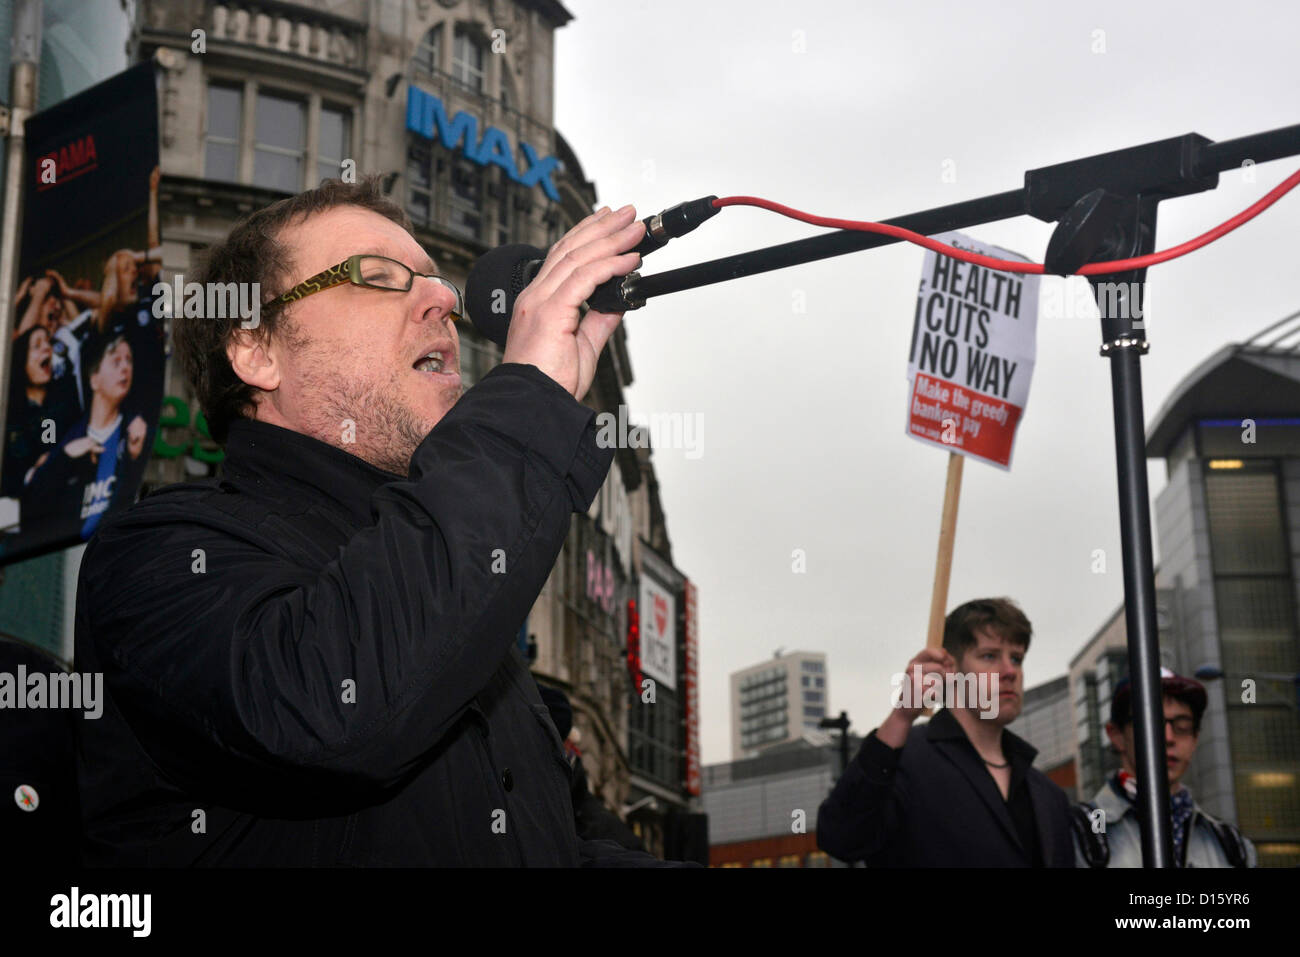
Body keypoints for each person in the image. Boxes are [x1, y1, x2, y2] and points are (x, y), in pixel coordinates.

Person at [74, 177, 689, 867]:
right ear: (258, 349)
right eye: (380, 276)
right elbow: (333, 709)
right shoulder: (155, 556)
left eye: (435, 279)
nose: (446, 300)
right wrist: (528, 402)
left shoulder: (486, 658)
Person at [816, 598, 1074, 866]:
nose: (1010, 672)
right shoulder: (903, 763)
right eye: (989, 656)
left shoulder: (1048, 795)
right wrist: (901, 716)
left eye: (1017, 658)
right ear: (951, 670)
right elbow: (840, 836)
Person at [1070, 667, 1256, 868]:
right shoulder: (1078, 834)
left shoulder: (1233, 848)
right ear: (1116, 735)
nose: (1168, 738)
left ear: (1195, 738)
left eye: (1182, 727)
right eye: (1152, 723)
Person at [19, 334, 148, 543]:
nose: (125, 368)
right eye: (116, 361)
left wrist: (134, 458)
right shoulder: (66, 437)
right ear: (94, 379)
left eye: (129, 361)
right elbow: (32, 506)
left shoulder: (136, 432)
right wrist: (65, 457)